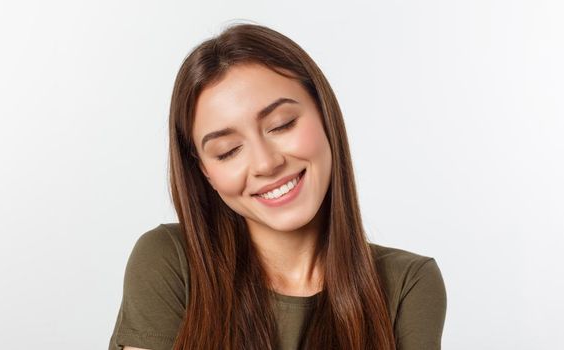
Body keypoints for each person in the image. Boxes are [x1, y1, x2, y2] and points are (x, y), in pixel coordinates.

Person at [107, 23, 446, 350]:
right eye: (228, 151)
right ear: (204, 171)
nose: (266, 164)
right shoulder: (170, 261)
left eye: (282, 125)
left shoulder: (407, 285)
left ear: (325, 114)